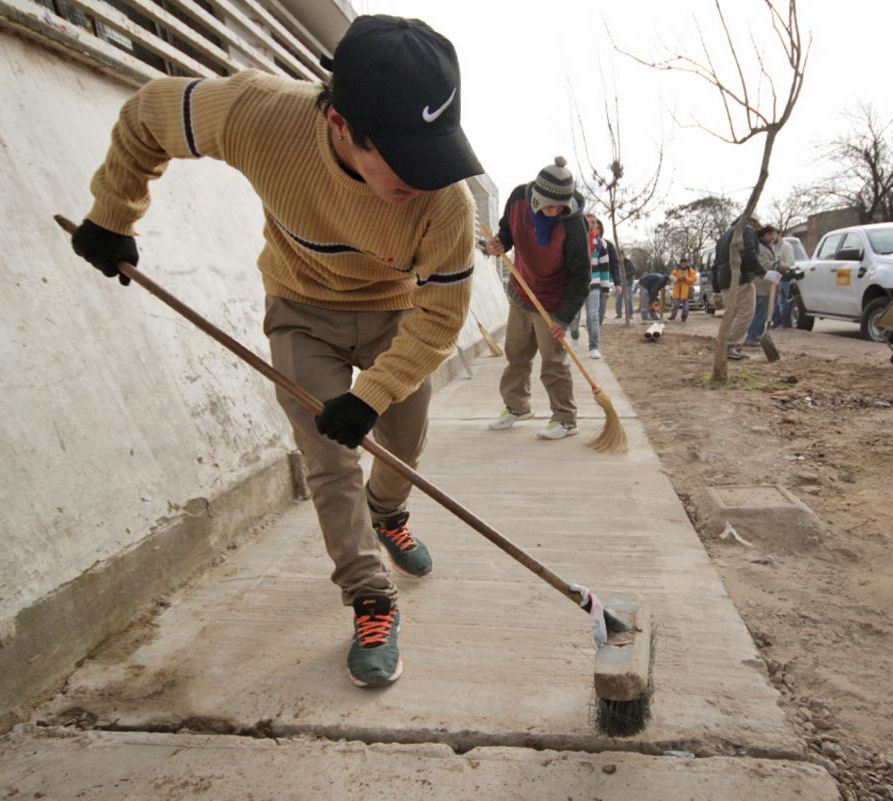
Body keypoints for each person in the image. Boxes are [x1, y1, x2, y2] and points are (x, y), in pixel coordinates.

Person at [67, 15, 483, 690]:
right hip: (302, 310)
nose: (427, 176)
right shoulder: (257, 114)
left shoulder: (446, 205)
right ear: (344, 125)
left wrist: (372, 395)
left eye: (436, 151)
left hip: (395, 316)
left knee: (401, 441)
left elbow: (440, 319)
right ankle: (370, 597)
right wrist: (112, 213)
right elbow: (147, 114)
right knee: (329, 460)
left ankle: (391, 512)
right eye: (406, 155)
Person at [484, 157, 590, 439]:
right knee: (516, 354)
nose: (555, 212)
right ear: (536, 199)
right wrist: (499, 243)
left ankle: (566, 419)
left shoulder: (574, 226)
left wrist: (563, 318)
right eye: (550, 206)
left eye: (561, 207)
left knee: (553, 361)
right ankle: (517, 406)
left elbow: (581, 278)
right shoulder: (519, 197)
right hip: (522, 292)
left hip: (553, 302)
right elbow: (508, 230)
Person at [714, 217, 764, 359]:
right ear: (751, 222)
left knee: (732, 313)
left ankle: (724, 344)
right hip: (739, 277)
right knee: (745, 312)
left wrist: (716, 288)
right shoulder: (746, 230)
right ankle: (728, 345)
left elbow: (715, 264)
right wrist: (762, 272)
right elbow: (748, 252)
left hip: (723, 279)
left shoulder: (723, 237)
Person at [569, 214, 616, 358]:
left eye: (593, 222)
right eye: (588, 221)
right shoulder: (573, 240)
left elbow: (605, 267)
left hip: (594, 285)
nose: (591, 224)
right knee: (574, 317)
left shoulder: (602, 244)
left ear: (596, 225)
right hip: (576, 285)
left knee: (593, 316)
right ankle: (574, 338)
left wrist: (605, 288)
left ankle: (594, 347)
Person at [745, 226, 780, 344]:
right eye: (772, 235)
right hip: (761, 285)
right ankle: (753, 337)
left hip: (765, 284)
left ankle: (756, 336)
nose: (773, 238)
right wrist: (778, 265)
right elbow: (764, 265)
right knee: (761, 312)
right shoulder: (760, 248)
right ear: (766, 235)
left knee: (761, 312)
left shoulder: (766, 247)